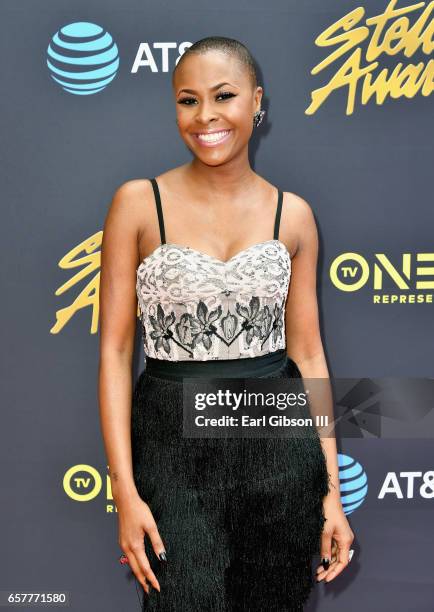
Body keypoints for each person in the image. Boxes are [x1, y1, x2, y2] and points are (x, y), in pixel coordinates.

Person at [98, 36, 354, 611]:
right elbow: (115, 353)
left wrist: (330, 495)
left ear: (256, 102)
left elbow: (309, 357)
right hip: (171, 445)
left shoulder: (295, 215)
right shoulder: (139, 203)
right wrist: (126, 492)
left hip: (279, 449)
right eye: (188, 101)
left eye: (224, 96)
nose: (206, 116)